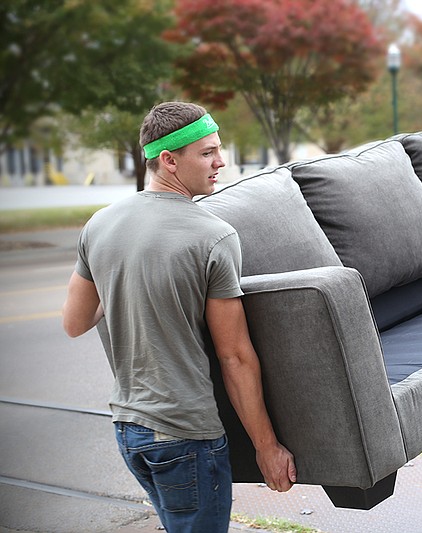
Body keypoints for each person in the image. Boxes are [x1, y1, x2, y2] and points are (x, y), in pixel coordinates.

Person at [62, 102, 296, 532]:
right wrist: (267, 447)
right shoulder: (213, 236)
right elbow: (235, 357)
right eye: (207, 153)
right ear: (169, 160)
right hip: (184, 434)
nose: (220, 162)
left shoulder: (100, 224)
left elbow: (75, 322)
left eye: (219, 150)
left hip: (129, 429)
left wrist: (120, 280)